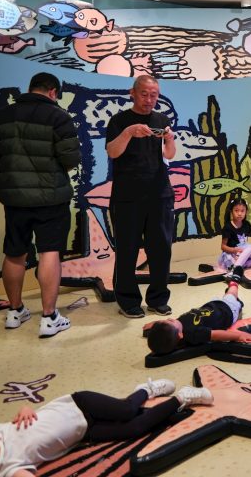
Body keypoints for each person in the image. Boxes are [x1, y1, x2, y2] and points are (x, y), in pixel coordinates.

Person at [0, 72, 80, 338]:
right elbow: (71, 159)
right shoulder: (59, 117)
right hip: (51, 197)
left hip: (14, 197)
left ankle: (15, 311)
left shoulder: (2, 116)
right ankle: (49, 317)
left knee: (14, 253)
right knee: (50, 251)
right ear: (52, 91)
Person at [0, 378, 213, 477]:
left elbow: (25, 411)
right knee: (134, 429)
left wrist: (24, 408)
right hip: (84, 432)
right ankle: (182, 397)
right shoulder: (9, 468)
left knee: (127, 411)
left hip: (79, 403)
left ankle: (147, 390)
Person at [106, 75, 177, 319]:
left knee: (161, 250)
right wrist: (128, 133)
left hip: (160, 194)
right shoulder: (119, 121)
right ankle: (127, 300)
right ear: (133, 93)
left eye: (154, 94)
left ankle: (158, 298)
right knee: (127, 250)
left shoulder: (161, 119)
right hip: (127, 196)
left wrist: (169, 139)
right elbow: (113, 152)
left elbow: (170, 154)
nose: (149, 99)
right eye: (145, 94)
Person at [145, 281, 251, 355]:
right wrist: (239, 336)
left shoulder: (177, 328)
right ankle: (234, 282)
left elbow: (167, 328)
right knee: (231, 294)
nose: (170, 319)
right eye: (170, 321)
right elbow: (217, 334)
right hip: (227, 310)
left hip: (212, 305)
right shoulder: (194, 334)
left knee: (228, 296)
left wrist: (156, 323)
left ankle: (234, 297)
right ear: (180, 335)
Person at [216, 197, 251, 279]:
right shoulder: (228, 227)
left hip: (245, 252)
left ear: (246, 212)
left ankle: (243, 264)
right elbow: (223, 246)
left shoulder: (246, 225)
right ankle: (234, 270)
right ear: (231, 212)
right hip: (233, 255)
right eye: (236, 210)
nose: (239, 213)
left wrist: (246, 251)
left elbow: (245, 243)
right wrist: (235, 250)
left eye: (242, 211)